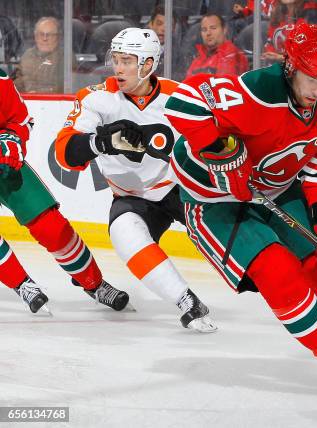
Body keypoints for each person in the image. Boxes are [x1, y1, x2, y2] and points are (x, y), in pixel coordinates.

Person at [165, 22, 317, 401]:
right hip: (215, 200)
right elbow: (182, 103)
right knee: (277, 270)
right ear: (290, 68)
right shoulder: (259, 91)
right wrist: (223, 152)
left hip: (275, 190)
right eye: (311, 79)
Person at [54, 28, 217, 333]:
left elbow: (213, 141)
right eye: (115, 59)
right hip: (132, 197)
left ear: (148, 64)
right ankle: (187, 301)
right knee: (124, 234)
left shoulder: (178, 95)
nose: (118, 67)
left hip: (180, 189)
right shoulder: (95, 98)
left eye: (127, 60)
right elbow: (64, 153)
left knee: (232, 238)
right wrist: (100, 142)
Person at [0, 68, 130, 313]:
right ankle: (23, 284)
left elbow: (19, 120)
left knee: (51, 226)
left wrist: (11, 140)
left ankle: (94, 284)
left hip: (3, 163)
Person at [185, 14, 249, 79]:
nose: (208, 33)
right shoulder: (198, 58)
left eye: (213, 28)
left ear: (224, 30)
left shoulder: (232, 55)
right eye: (204, 30)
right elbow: (186, 85)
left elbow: (223, 85)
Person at [12, 17, 64, 93]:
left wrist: (36, 89)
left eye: (49, 35)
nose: (44, 38)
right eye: (41, 34)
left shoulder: (65, 58)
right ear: (35, 37)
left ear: (58, 37)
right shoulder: (28, 55)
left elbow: (63, 87)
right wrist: (25, 81)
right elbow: (14, 82)